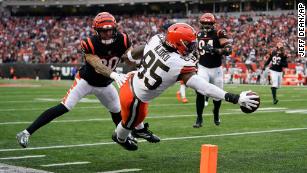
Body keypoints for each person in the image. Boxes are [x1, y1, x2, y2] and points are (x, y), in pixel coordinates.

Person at [16, 12, 159, 148]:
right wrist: (114, 75)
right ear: (97, 30)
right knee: (64, 106)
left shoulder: (123, 39)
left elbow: (129, 59)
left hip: (105, 84)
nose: (108, 33)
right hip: (86, 81)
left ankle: (123, 138)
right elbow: (97, 65)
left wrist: (145, 54)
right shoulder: (89, 43)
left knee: (118, 111)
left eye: (110, 29)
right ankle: (26, 132)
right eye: (104, 30)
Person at [112, 23, 259, 151]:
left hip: (131, 79)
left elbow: (142, 49)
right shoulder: (177, 64)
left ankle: (140, 130)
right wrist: (233, 97)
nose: (192, 46)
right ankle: (121, 139)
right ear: (178, 43)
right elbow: (205, 87)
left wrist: (129, 57)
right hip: (134, 99)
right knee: (127, 124)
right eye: (189, 43)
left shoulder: (156, 39)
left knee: (140, 115)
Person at [193, 13, 232, 128]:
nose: (206, 25)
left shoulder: (219, 33)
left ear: (213, 23)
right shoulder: (197, 34)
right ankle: (199, 117)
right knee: (200, 91)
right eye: (204, 23)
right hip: (203, 67)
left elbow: (229, 50)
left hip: (216, 69)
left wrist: (214, 50)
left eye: (208, 23)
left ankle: (216, 112)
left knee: (218, 95)